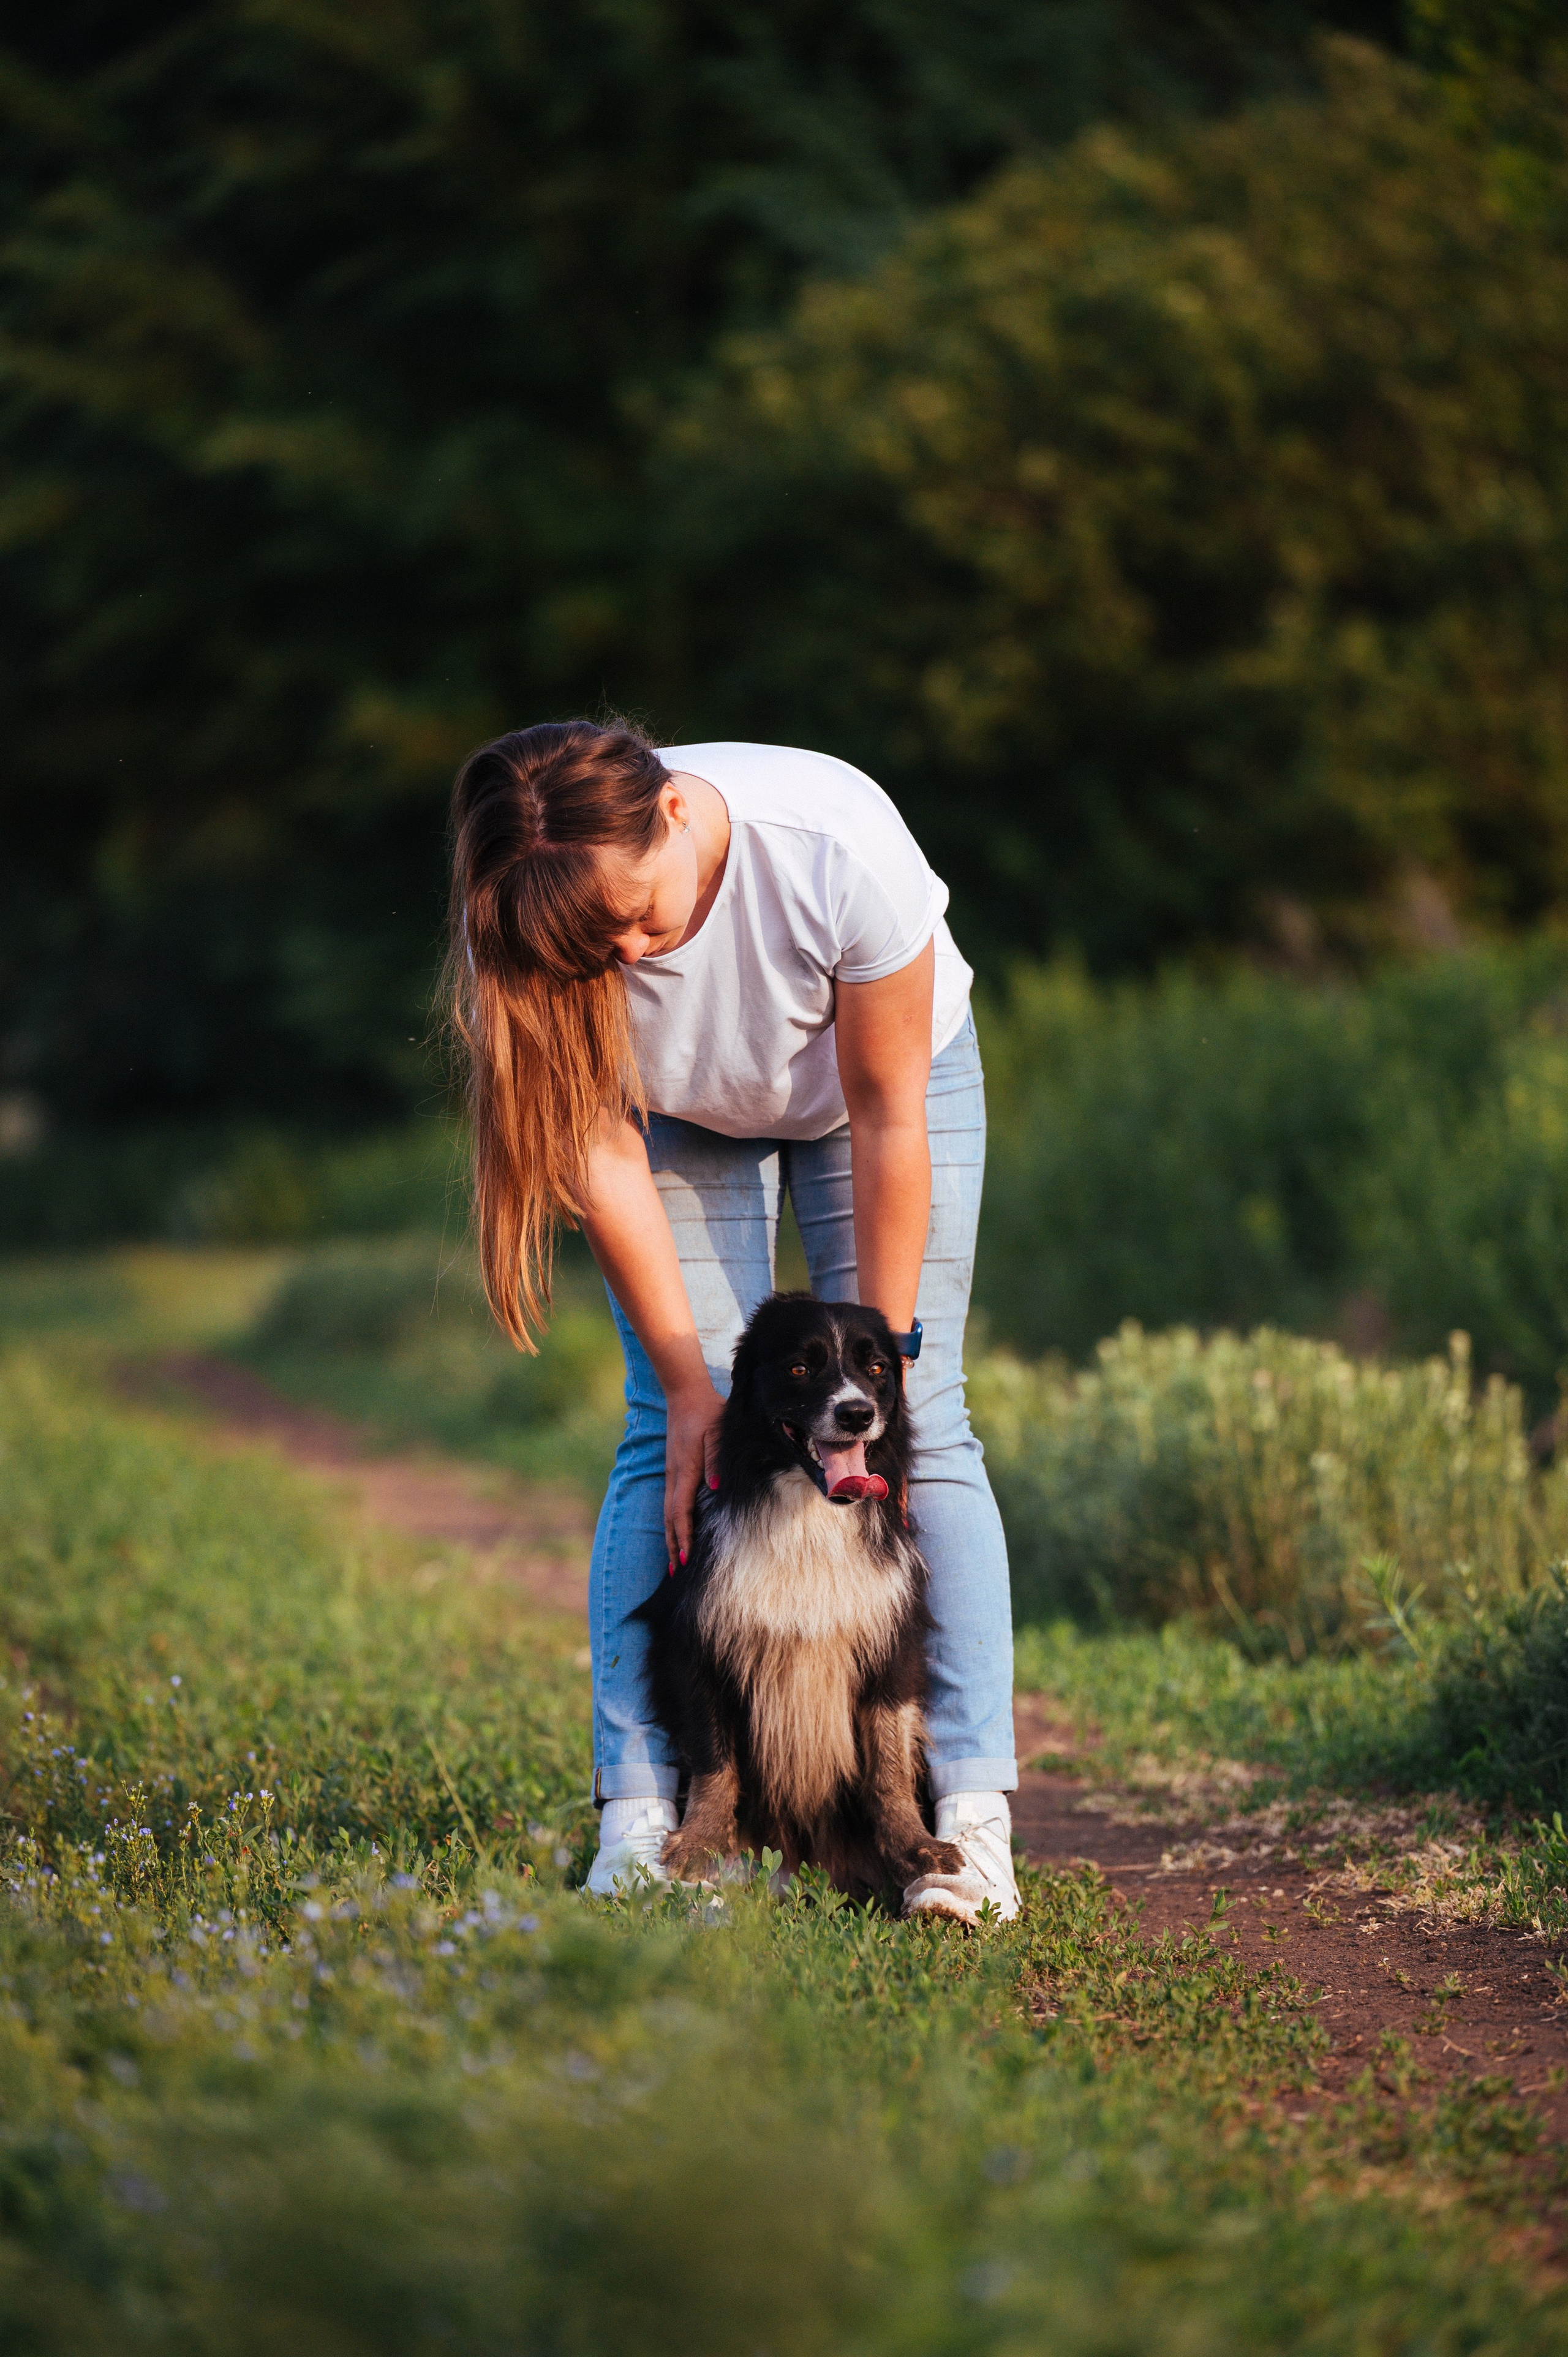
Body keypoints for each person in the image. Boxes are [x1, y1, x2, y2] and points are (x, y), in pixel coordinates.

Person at [446, 720, 1019, 1922]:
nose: (626, 954)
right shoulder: (530, 904)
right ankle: (644, 1811)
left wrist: (891, 1359)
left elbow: (883, 1114)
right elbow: (598, 1150)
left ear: (667, 820)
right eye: (592, 950)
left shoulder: (831, 844)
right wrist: (693, 1378)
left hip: (870, 1095)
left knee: (935, 1426)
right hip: (671, 1115)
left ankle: (964, 1823)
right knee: (669, 1429)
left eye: (634, 919)